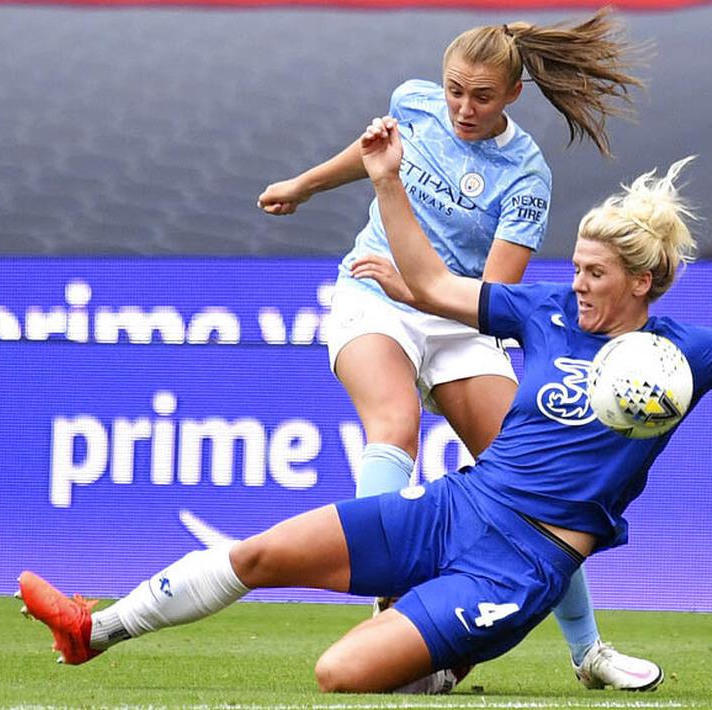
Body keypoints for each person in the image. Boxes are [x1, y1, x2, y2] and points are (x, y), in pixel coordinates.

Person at [17, 127, 712, 694]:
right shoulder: (547, 311)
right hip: (456, 506)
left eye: (595, 273)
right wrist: (387, 184)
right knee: (260, 553)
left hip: (520, 564)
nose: (578, 283)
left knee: (339, 674)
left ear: (642, 281)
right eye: (577, 267)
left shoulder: (686, 354)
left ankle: (450, 663)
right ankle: (92, 631)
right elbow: (436, 285)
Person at [255, 9, 659, 688]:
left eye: (482, 97)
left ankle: (587, 652)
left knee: (537, 482)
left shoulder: (524, 175)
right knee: (394, 426)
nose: (463, 109)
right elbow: (372, 154)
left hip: (458, 318)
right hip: (373, 294)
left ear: (513, 95)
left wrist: (417, 288)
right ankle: (387, 612)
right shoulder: (413, 104)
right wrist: (304, 184)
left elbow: (492, 296)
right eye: (454, 91)